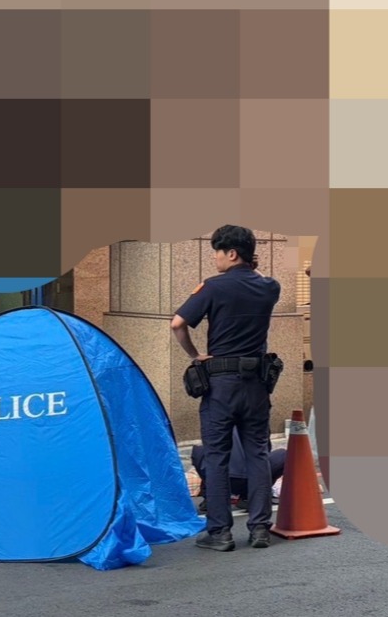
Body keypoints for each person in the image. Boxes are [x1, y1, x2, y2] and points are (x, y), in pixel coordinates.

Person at [171, 225, 281, 551]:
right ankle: (260, 529)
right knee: (258, 453)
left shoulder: (213, 287)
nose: (214, 258)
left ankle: (220, 532)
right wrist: (251, 265)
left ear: (231, 253)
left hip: (221, 385)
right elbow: (256, 277)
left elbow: (177, 323)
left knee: (217, 456)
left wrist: (195, 355)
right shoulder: (269, 287)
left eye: (217, 252)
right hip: (257, 384)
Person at [190, 427, 287, 513]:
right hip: (248, 478)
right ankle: (250, 497)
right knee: (283, 454)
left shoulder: (216, 422)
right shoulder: (255, 420)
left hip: (219, 477)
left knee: (201, 452)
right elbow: (263, 453)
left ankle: (211, 498)